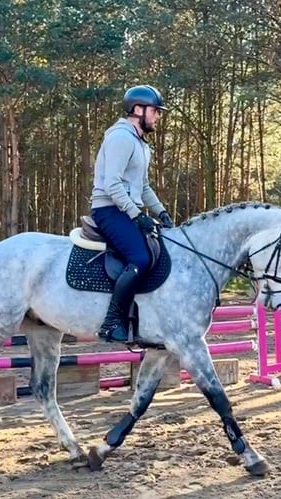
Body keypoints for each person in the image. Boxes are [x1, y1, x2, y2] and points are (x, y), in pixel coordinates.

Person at [90, 85, 175, 342]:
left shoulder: (140, 143)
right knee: (139, 257)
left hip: (126, 209)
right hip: (109, 209)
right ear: (138, 110)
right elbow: (112, 184)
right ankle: (111, 321)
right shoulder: (120, 138)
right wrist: (137, 215)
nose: (157, 116)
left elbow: (144, 186)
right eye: (154, 111)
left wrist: (162, 212)